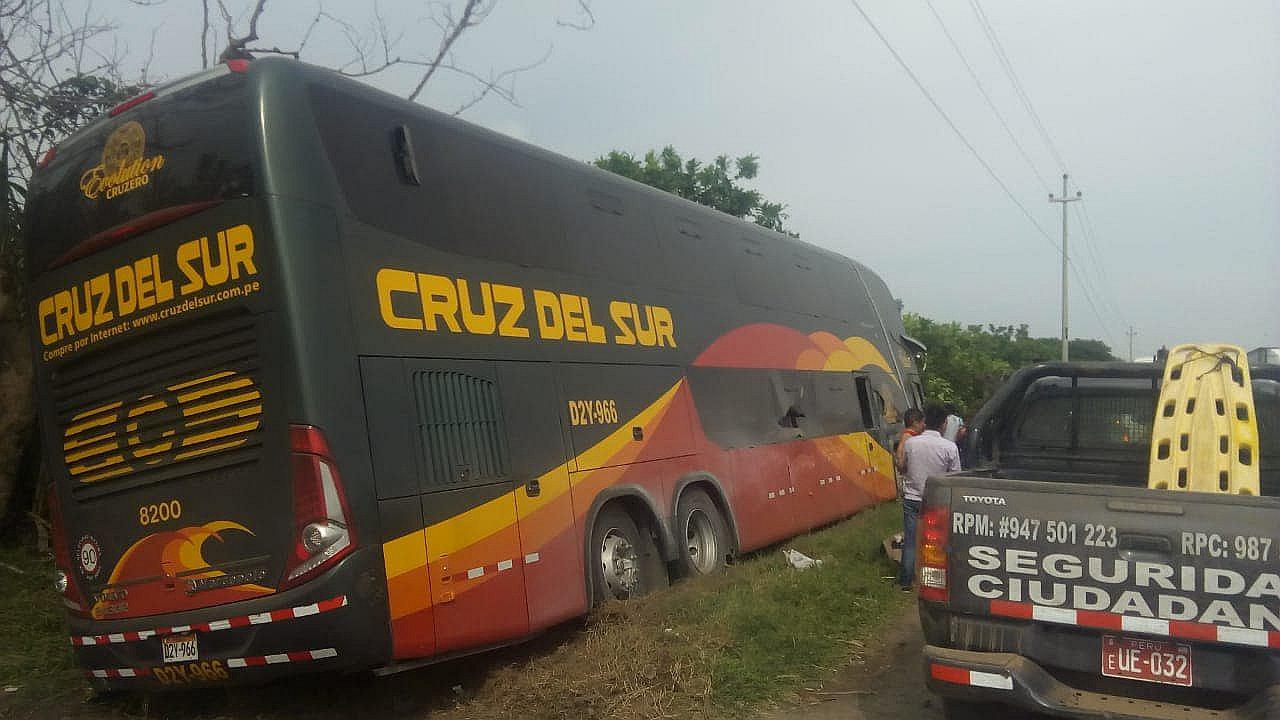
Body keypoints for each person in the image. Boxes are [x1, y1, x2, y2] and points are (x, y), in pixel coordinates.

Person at [898, 404, 962, 590]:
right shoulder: (950, 447)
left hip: (912, 499)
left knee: (911, 540)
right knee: (940, 541)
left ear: (925, 422)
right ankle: (936, 580)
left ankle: (906, 581)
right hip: (937, 501)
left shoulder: (910, 443)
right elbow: (955, 477)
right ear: (943, 424)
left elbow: (903, 467)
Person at [895, 408, 925, 473]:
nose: (924, 425)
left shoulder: (908, 435)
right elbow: (899, 456)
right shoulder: (908, 436)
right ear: (915, 423)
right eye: (922, 422)